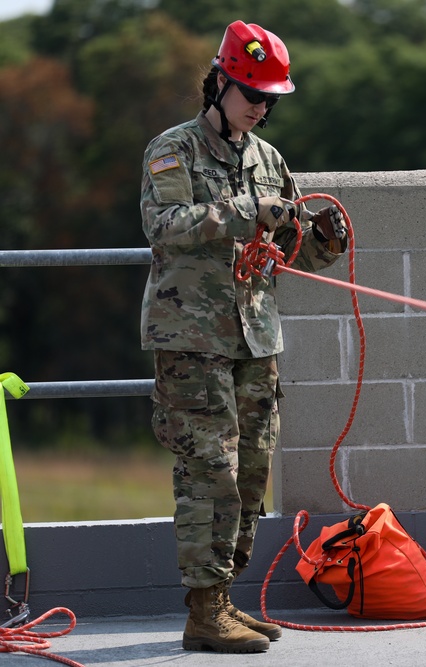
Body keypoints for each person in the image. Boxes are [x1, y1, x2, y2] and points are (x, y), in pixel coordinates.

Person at [139, 20, 348, 653]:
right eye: (252, 95)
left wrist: (322, 242)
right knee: (209, 472)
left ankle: (223, 598)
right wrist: (244, 211)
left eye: (271, 100)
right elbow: (165, 224)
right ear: (220, 82)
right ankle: (204, 610)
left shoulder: (268, 160)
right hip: (191, 339)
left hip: (255, 339)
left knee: (252, 471)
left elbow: (290, 253)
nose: (261, 108)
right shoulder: (171, 149)